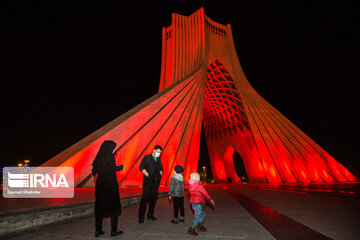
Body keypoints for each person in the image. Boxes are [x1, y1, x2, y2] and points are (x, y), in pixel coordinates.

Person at [92, 140, 125, 237]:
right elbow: (113, 168)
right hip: (110, 185)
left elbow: (94, 170)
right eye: (113, 147)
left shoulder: (98, 157)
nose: (114, 150)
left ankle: (98, 230)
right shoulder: (110, 156)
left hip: (100, 185)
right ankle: (113, 231)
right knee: (113, 207)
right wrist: (122, 166)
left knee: (99, 208)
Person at [138, 145, 164, 223]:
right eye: (158, 152)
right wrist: (148, 176)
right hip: (148, 183)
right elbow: (141, 168)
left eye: (160, 153)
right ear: (154, 150)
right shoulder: (147, 157)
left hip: (156, 183)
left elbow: (161, 169)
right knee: (144, 200)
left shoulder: (158, 159)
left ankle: (150, 215)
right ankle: (141, 217)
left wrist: (160, 174)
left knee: (153, 200)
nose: (159, 154)